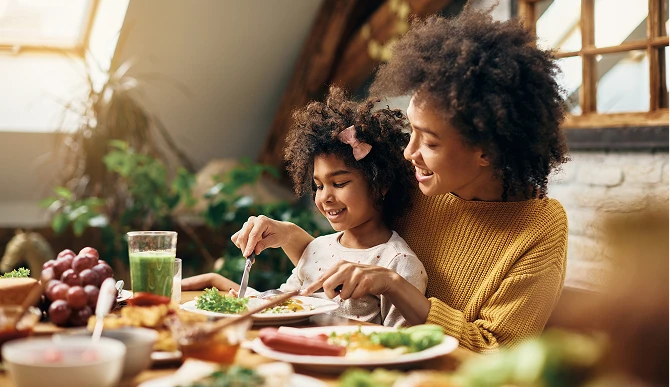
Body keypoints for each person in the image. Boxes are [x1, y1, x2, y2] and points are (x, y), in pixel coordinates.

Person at [231, 9, 569, 352]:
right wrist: (289, 235)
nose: (409, 153)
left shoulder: (538, 229)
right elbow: (357, 258)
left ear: (487, 150)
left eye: (431, 142)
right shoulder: (418, 183)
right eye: (412, 132)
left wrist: (396, 286)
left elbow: (494, 352)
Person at [183, 87, 427, 327]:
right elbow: (282, 306)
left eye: (339, 183)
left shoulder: (397, 262)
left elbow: (403, 343)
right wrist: (232, 290)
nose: (325, 197)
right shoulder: (317, 247)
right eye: (319, 186)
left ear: (380, 184)